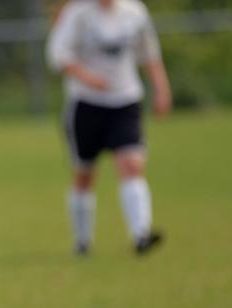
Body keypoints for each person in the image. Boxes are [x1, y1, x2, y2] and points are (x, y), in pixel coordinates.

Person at [46, 0, 172, 255]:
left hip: (124, 100)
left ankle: (141, 234)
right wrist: (88, 78)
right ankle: (82, 241)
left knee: (132, 164)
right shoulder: (78, 13)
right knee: (84, 175)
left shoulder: (134, 12)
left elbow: (149, 53)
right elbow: (58, 55)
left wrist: (161, 88)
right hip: (86, 104)